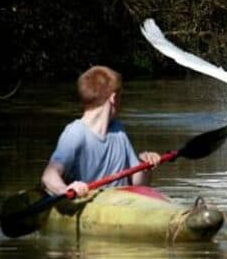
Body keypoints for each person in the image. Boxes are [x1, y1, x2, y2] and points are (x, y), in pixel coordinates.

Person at [41, 65, 161, 197]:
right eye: (121, 97)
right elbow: (48, 176)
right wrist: (66, 190)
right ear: (113, 98)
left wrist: (145, 166)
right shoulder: (76, 133)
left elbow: (138, 185)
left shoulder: (118, 131)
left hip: (119, 206)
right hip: (86, 204)